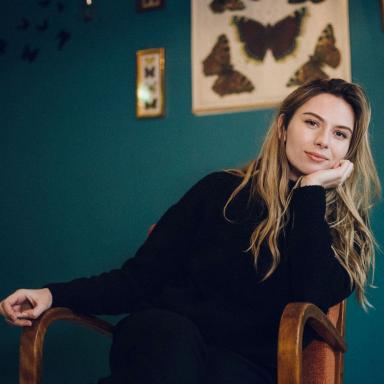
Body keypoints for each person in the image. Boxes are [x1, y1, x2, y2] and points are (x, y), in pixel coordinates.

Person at [0, 78, 381, 384]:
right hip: (164, 339)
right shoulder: (219, 191)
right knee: (168, 342)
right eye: (311, 122)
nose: (322, 141)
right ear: (283, 126)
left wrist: (309, 194)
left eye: (340, 134)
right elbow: (138, 280)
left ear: (348, 151)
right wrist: (52, 294)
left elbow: (311, 298)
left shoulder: (346, 231)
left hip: (242, 366)